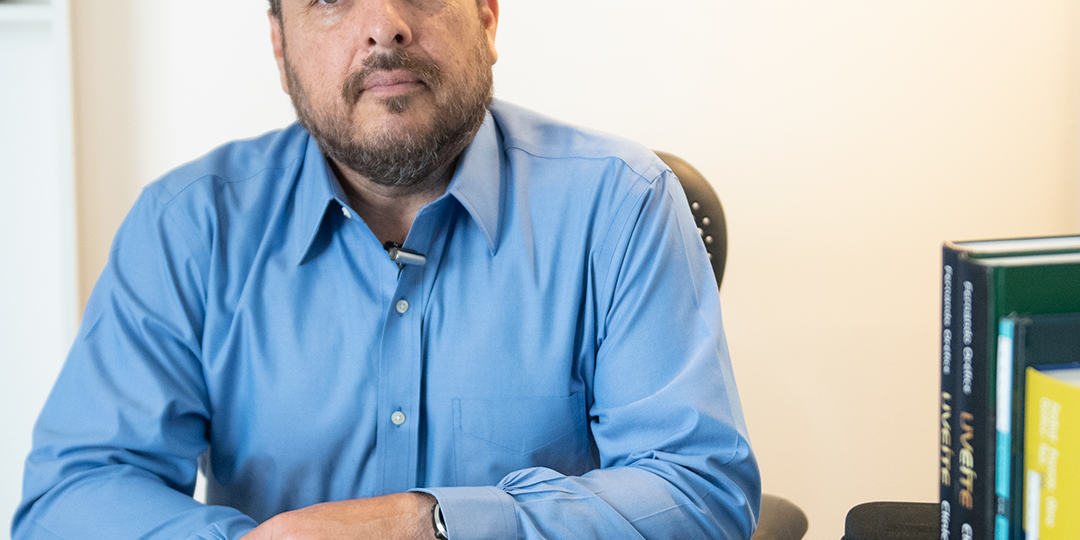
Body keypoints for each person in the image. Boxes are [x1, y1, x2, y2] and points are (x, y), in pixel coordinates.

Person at [13, 0, 760, 538]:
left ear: (488, 16)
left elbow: (699, 491)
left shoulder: (622, 202)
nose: (385, 25)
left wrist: (428, 523)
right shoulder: (186, 226)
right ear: (279, 46)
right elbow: (72, 498)